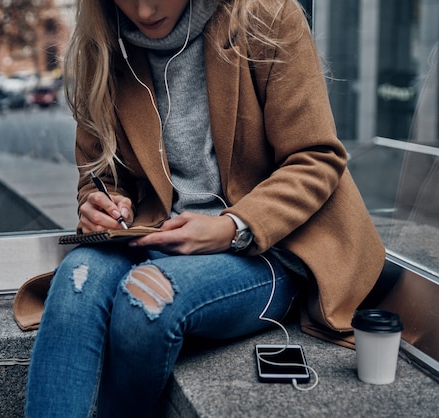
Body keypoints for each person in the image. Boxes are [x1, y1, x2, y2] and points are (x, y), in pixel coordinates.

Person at [23, 0, 385, 416]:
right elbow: (101, 175)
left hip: (266, 248)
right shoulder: (104, 43)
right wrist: (99, 203)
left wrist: (234, 226)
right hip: (154, 236)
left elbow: (316, 157)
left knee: (146, 301)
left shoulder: (266, 16)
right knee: (76, 280)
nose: (143, 10)